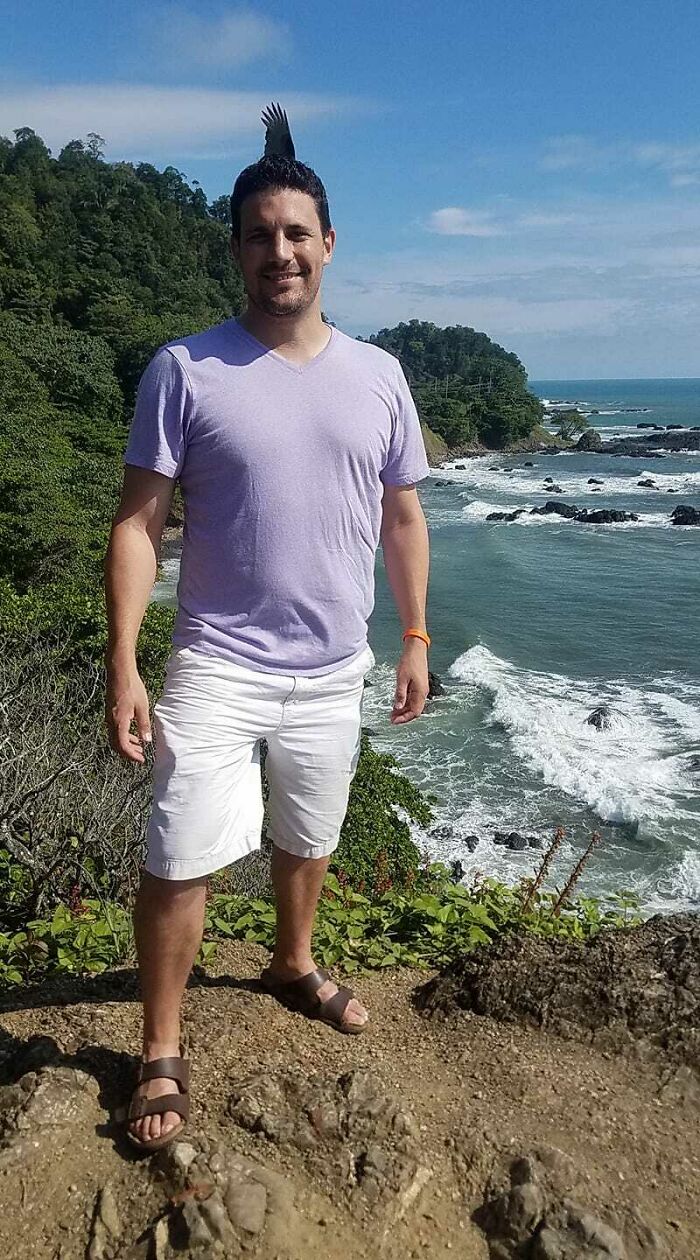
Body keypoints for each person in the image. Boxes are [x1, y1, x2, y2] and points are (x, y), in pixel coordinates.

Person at [104, 132, 431, 1152]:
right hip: (217, 662)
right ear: (236, 251)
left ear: (328, 244)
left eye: (295, 233)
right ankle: (162, 1046)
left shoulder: (379, 375)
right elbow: (138, 523)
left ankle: (293, 962)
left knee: (310, 834)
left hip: (334, 666)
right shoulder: (185, 369)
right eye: (258, 236)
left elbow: (403, 516)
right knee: (179, 854)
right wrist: (124, 660)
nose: (278, 251)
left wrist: (415, 635)